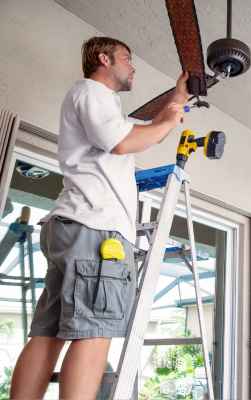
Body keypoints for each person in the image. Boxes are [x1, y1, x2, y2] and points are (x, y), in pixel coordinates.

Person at [10, 36, 189, 400]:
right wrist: (171, 121)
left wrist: (178, 99)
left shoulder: (99, 104)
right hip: (95, 230)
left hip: (74, 228)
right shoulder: (93, 92)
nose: (133, 65)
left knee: (48, 334)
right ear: (104, 59)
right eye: (127, 58)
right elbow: (123, 143)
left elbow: (129, 134)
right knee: (94, 330)